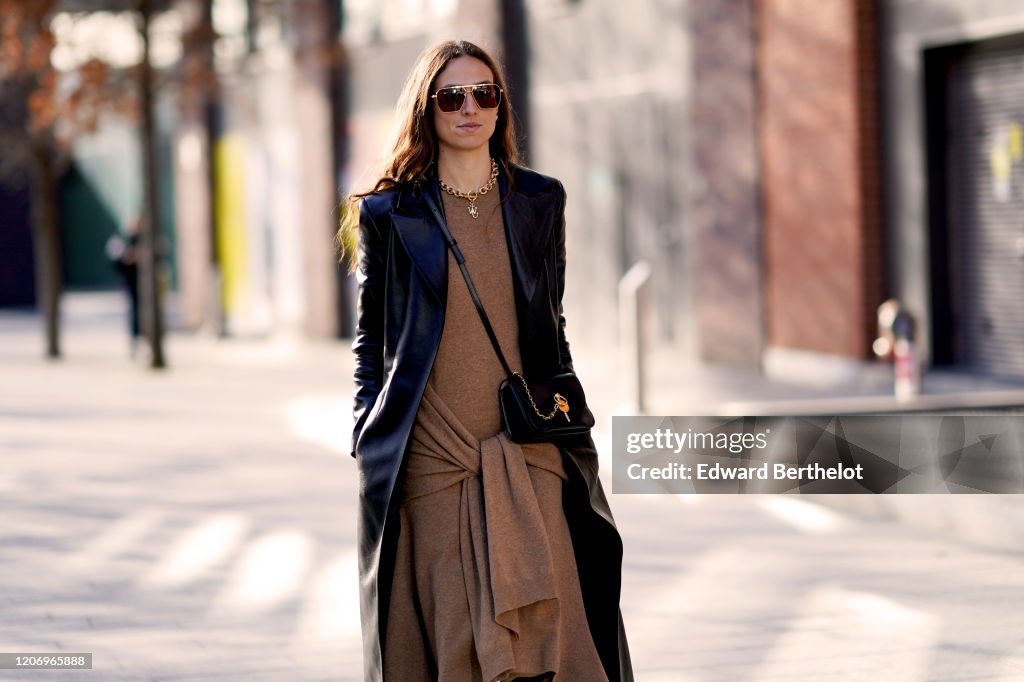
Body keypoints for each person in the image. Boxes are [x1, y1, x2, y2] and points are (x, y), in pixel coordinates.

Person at [340, 39, 632, 682]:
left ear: (500, 107)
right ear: (428, 109)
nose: (468, 107)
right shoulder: (390, 214)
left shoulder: (539, 201)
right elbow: (372, 344)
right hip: (433, 456)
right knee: (454, 630)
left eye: (484, 94)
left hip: (525, 445)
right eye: (451, 96)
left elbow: (550, 327)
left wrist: (569, 428)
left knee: (547, 625)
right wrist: (368, 433)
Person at [105, 218, 141, 358]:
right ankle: (135, 339)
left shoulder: (144, 238)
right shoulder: (121, 240)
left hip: (143, 281)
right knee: (134, 310)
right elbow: (115, 261)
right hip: (130, 280)